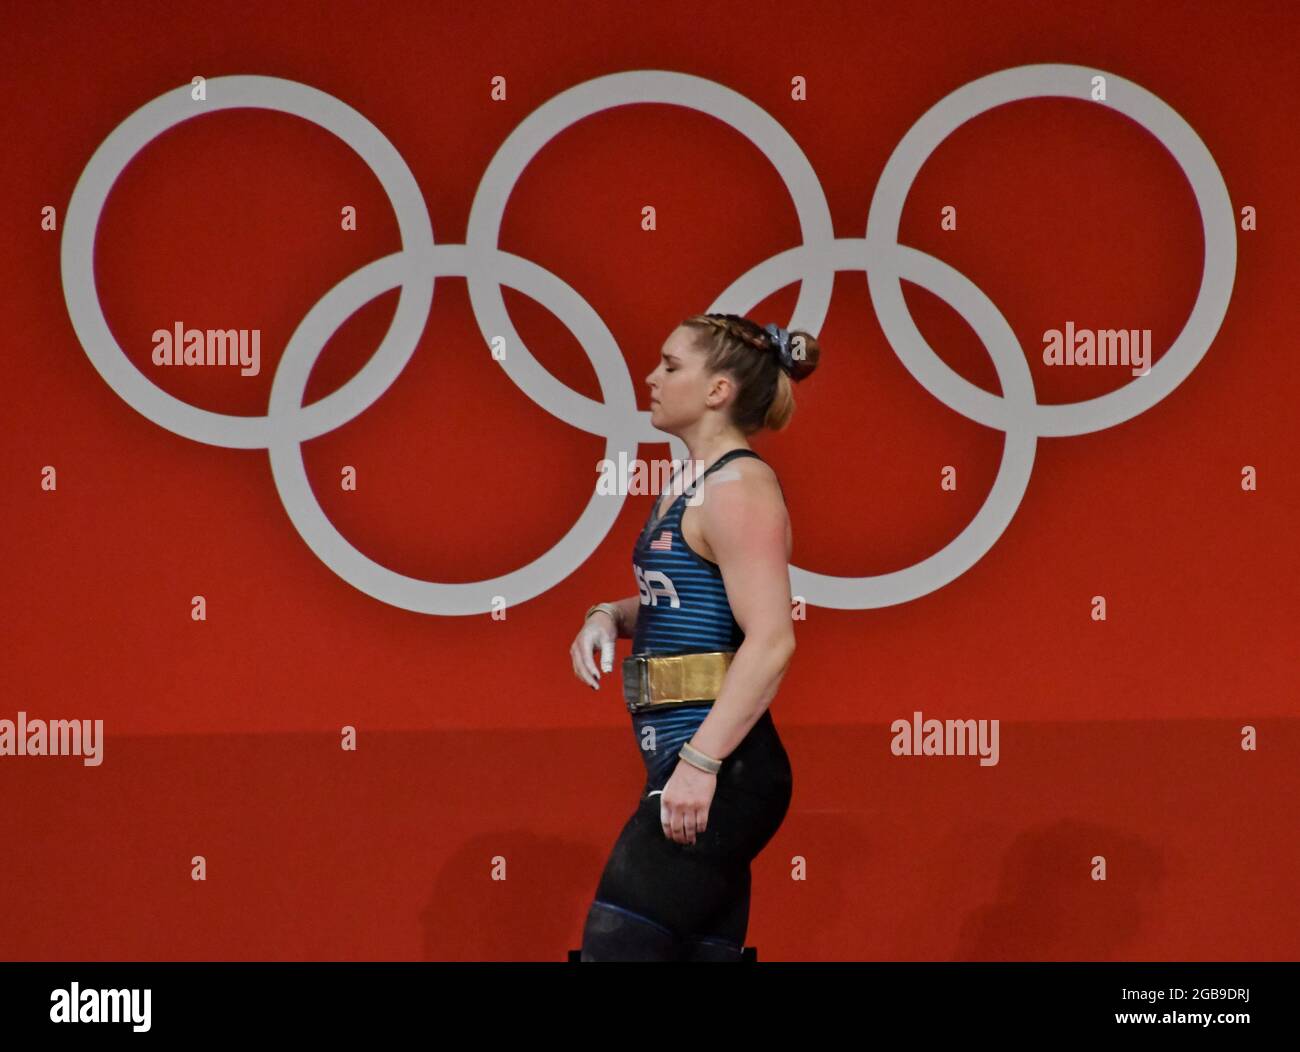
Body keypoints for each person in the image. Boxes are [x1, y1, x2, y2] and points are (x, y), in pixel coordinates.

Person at [570, 312, 821, 961]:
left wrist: (701, 764)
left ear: (718, 391)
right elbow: (687, 599)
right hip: (689, 761)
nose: (651, 378)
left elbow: (771, 640)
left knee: (614, 950)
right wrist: (608, 615)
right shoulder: (687, 488)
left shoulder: (740, 489)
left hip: (728, 767)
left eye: (671, 365)